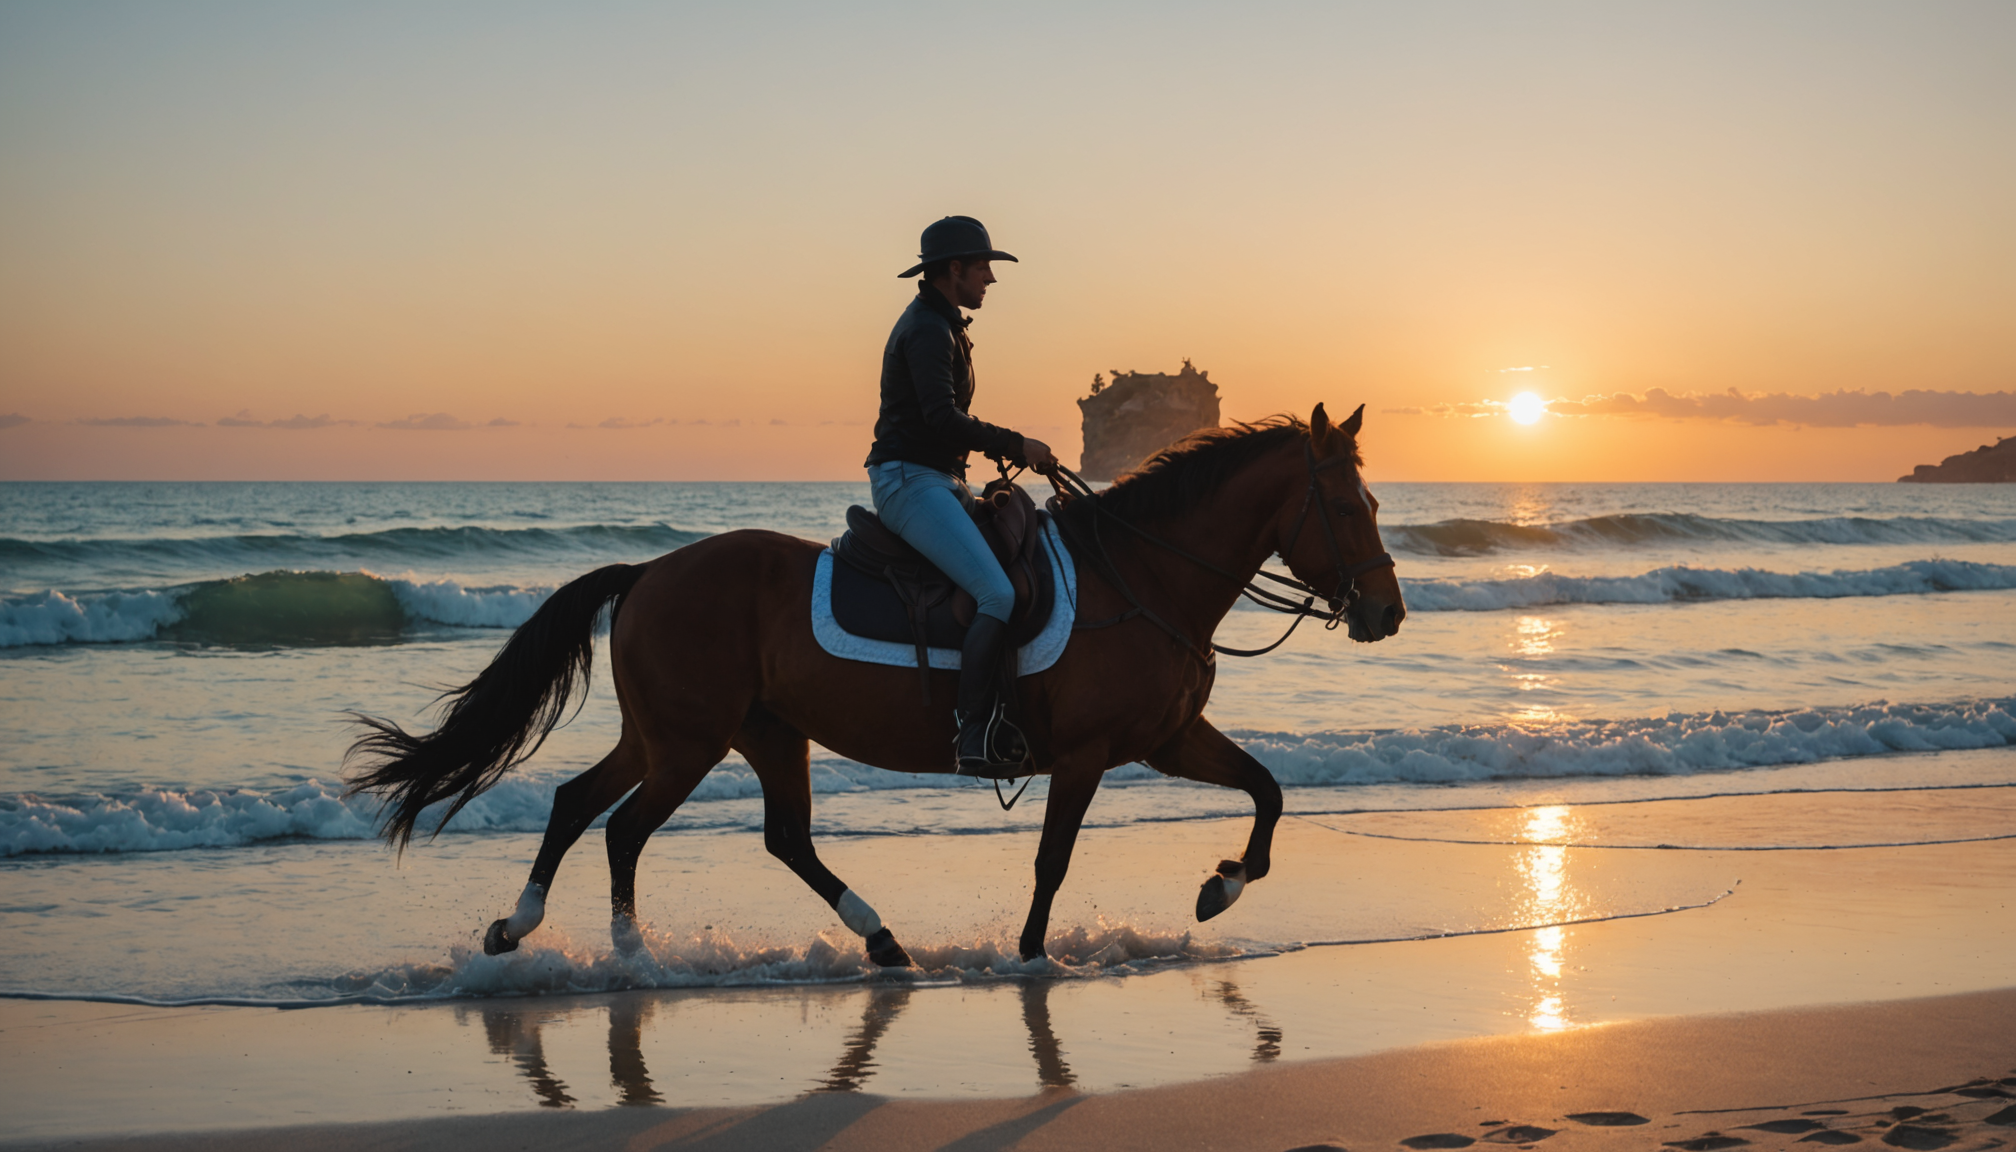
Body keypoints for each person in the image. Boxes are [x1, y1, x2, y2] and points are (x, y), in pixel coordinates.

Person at [865, 215, 1059, 777]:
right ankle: (972, 731)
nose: (990, 279)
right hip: (909, 481)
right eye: (983, 268)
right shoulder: (928, 328)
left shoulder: (944, 323)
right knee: (996, 594)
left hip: (940, 479)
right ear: (954, 269)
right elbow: (941, 417)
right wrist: (1017, 444)